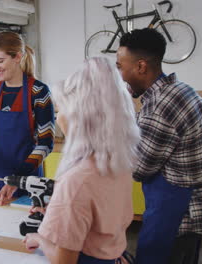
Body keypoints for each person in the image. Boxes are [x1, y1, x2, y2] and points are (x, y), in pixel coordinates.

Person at [23, 57, 141, 263]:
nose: (59, 118)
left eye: (62, 110)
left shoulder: (76, 180)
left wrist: (41, 239)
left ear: (79, 117)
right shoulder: (117, 162)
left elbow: (64, 261)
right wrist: (60, 215)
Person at [116, 28, 202, 264]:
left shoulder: (159, 109)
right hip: (196, 205)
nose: (119, 74)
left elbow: (139, 169)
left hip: (176, 215)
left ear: (141, 66)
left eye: (121, 66)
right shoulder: (182, 90)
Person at [0, 31, 55, 205]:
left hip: (26, 182)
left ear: (18, 57)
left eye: (0, 61)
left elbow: (45, 144)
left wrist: (16, 179)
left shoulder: (38, 92)